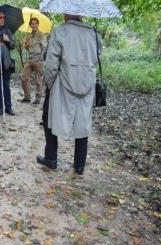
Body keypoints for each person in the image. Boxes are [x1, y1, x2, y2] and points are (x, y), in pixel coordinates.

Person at [37, 14, 102, 175]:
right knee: (83, 123)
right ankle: (79, 165)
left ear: (67, 13)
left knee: (48, 117)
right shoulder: (94, 33)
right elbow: (96, 58)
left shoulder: (60, 31)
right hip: (87, 85)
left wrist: (49, 84)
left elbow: (51, 63)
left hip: (63, 84)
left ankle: (51, 158)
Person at [21, 18, 47, 105]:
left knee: (38, 80)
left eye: (35, 23)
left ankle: (38, 97)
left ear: (38, 25)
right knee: (24, 77)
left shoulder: (41, 35)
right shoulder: (29, 36)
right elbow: (28, 49)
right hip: (30, 59)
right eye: (32, 24)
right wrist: (25, 44)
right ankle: (27, 97)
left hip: (38, 60)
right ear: (30, 25)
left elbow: (45, 48)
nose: (34, 25)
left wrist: (41, 59)